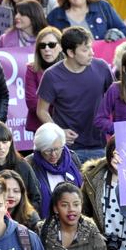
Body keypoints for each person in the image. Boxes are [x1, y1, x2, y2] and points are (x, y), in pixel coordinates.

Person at [37, 26, 115, 163]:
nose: (91, 53)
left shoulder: (102, 67)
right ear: (70, 52)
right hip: (69, 148)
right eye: (85, 50)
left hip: (100, 145)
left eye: (91, 47)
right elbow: (42, 110)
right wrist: (59, 132)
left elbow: (116, 101)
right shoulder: (51, 75)